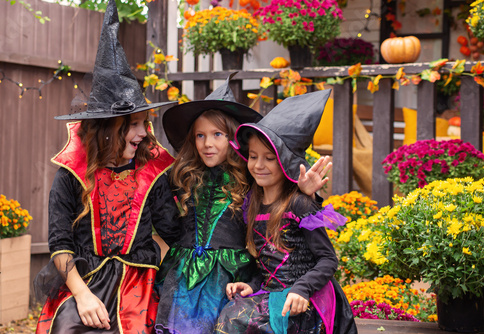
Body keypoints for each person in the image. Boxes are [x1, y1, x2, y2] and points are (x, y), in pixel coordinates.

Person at [34, 1, 180, 332]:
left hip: (140, 288)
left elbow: (176, 233)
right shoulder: (70, 175)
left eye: (146, 123)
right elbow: (60, 243)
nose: (145, 133)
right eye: (135, 124)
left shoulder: (152, 173)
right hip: (83, 282)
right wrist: (83, 297)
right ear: (108, 128)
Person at [154, 74, 332, 334]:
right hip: (185, 270)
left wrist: (308, 194)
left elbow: (281, 197)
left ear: (233, 139)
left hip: (230, 272)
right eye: (200, 135)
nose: (208, 143)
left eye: (217, 134)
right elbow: (166, 218)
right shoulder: (186, 175)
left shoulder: (249, 176)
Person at [214, 90, 358, 334]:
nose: (259, 165)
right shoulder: (252, 205)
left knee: (236, 322)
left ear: (285, 162)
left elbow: (328, 259)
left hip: (305, 299)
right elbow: (267, 265)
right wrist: (251, 285)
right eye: (253, 156)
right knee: (228, 316)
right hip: (272, 294)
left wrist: (302, 289)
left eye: (269, 158)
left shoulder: (300, 205)